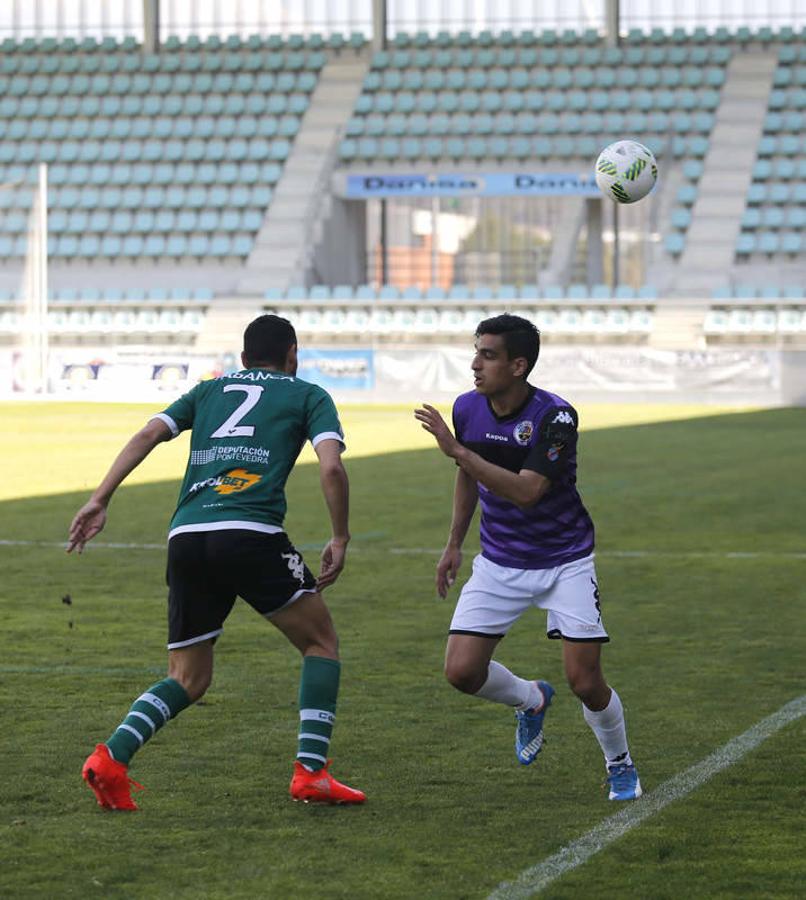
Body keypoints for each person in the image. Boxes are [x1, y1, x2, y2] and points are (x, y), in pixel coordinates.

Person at [68, 314, 365, 809]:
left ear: (243, 358)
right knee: (320, 642)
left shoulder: (209, 390)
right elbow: (331, 465)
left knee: (188, 677)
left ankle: (110, 760)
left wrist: (100, 498)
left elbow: (147, 434)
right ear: (293, 355)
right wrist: (340, 534)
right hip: (251, 533)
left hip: (186, 536)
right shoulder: (308, 394)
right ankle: (311, 773)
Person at [414, 313, 641, 801]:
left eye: (488, 355)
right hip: (499, 561)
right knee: (461, 672)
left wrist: (458, 452)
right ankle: (531, 699)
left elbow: (527, 492)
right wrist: (454, 542)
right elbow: (467, 475)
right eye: (476, 352)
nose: (475, 364)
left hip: (565, 561)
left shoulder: (555, 418)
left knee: (585, 680)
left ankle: (619, 762)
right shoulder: (468, 409)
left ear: (518, 366)